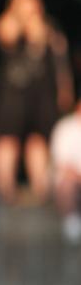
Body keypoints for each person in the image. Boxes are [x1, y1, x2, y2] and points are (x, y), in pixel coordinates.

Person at [0, 0, 73, 204]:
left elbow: (60, 58)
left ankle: (41, 188)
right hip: (13, 92)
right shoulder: (8, 21)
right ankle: (5, 189)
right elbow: (6, 36)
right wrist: (25, 22)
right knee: (8, 139)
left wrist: (65, 89)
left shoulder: (50, 26)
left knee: (38, 139)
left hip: (42, 93)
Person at [51, 101, 81, 243]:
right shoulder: (65, 128)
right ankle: (72, 225)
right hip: (68, 180)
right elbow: (61, 164)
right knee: (68, 185)